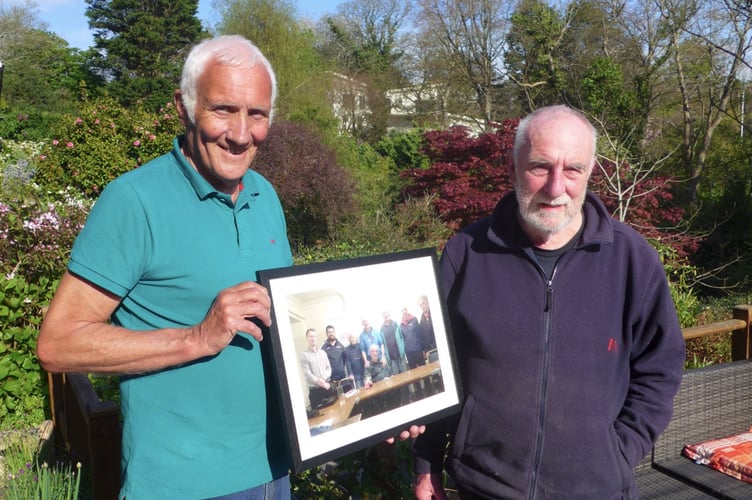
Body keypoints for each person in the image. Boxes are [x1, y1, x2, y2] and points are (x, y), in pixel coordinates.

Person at [35, 36, 293, 499]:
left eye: (256, 114)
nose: (240, 133)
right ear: (184, 106)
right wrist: (197, 337)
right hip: (185, 483)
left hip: (276, 469)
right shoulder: (133, 200)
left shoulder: (266, 195)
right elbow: (58, 344)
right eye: (222, 110)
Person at [412, 105, 686, 499]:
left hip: (596, 491)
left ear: (591, 171)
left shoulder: (632, 259)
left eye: (572, 169)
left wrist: (618, 453)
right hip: (483, 488)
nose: (556, 187)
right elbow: (435, 367)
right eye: (540, 166)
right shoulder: (466, 254)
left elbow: (660, 368)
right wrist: (426, 466)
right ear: (513, 167)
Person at [300, 328, 337, 409]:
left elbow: (329, 368)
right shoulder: (304, 355)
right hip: (315, 392)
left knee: (334, 411)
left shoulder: (323, 353)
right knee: (319, 418)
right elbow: (307, 373)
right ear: (307, 338)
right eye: (310, 336)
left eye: (314, 336)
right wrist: (319, 382)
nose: (313, 338)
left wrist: (323, 379)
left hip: (327, 388)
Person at [380, 310, 407, 375]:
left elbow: (402, 337)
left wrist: (403, 350)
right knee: (397, 379)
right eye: (384, 315)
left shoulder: (395, 324)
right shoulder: (381, 329)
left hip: (400, 356)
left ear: (389, 314)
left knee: (405, 376)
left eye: (387, 314)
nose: (386, 316)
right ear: (383, 317)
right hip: (392, 359)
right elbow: (383, 344)